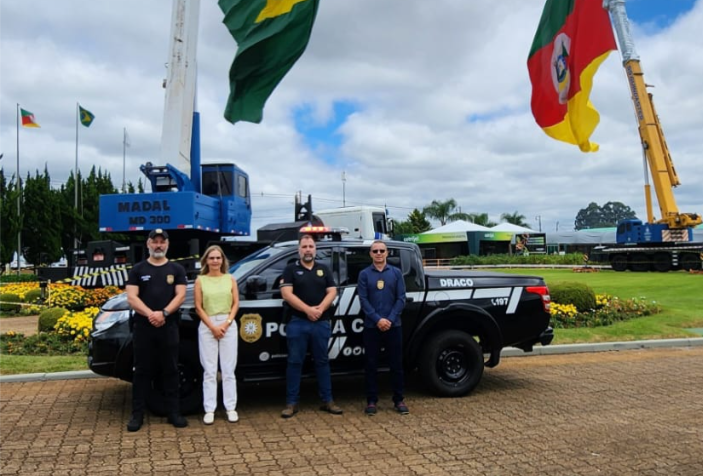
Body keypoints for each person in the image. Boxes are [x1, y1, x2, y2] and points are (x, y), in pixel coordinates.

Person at [125, 228, 188, 432]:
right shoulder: (138, 270)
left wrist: (164, 313)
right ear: (148, 244)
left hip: (168, 326)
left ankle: (174, 413)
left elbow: (180, 296)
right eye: (155, 242)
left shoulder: (177, 269)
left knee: (170, 369)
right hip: (144, 327)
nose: (158, 245)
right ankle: (137, 415)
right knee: (142, 371)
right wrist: (151, 314)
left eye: (162, 242)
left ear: (167, 245)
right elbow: (132, 297)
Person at [279, 234, 342, 418]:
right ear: (299, 249)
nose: (308, 250)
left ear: (316, 249)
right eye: (305, 246)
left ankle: (328, 401)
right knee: (294, 362)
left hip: (321, 322)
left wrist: (320, 310)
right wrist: (308, 310)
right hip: (298, 322)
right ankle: (291, 403)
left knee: (322, 361)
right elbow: (286, 294)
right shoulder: (290, 269)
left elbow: (332, 291)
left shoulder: (324, 269)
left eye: (311, 246)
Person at [357, 240, 408, 415]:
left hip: (394, 326)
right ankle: (371, 401)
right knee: (371, 364)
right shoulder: (364, 274)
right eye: (375, 251)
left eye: (382, 250)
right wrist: (378, 320)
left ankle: (399, 400)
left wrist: (390, 320)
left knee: (396, 364)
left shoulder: (396, 273)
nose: (378, 253)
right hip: (372, 326)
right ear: (370, 254)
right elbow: (363, 300)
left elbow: (401, 298)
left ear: (387, 253)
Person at [194, 245, 240, 425]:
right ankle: (209, 409)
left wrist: (227, 323)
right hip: (208, 324)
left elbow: (236, 303)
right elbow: (198, 306)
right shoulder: (200, 280)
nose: (215, 261)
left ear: (223, 260)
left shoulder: (230, 279)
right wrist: (212, 326)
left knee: (228, 370)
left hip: (227, 323)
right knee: (210, 370)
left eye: (218, 258)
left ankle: (230, 407)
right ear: (206, 260)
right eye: (211, 258)